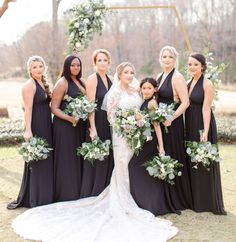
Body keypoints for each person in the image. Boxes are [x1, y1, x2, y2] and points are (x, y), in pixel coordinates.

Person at [12, 62, 177, 242]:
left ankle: (137, 197)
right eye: (126, 72)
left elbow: (145, 107)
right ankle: (123, 200)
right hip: (122, 134)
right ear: (120, 74)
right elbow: (110, 115)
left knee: (132, 166)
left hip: (137, 135)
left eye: (132, 72)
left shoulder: (136, 90)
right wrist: (126, 125)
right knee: (122, 164)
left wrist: (138, 123)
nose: (130, 75)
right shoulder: (115, 92)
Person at [7, 55, 53, 209]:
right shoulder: (29, 85)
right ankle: (35, 196)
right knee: (37, 160)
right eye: (35, 67)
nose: (38, 69)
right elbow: (28, 109)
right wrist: (28, 130)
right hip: (36, 125)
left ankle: (46, 194)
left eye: (40, 66)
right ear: (30, 70)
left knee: (46, 159)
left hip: (47, 124)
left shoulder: (43, 83)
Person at [129, 77, 180, 215]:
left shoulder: (152, 103)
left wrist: (161, 146)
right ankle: (146, 202)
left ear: (155, 89)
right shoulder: (144, 101)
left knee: (134, 167)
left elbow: (157, 126)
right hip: (144, 139)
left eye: (149, 88)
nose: (146, 91)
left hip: (151, 141)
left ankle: (150, 203)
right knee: (144, 170)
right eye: (144, 88)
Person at [185, 52, 226, 215]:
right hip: (190, 122)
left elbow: (206, 108)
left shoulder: (207, 83)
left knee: (203, 161)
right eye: (189, 64)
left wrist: (206, 131)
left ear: (202, 66)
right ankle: (195, 200)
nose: (192, 67)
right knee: (193, 160)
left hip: (203, 123)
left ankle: (206, 201)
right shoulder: (189, 82)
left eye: (195, 64)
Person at [156, 45, 193, 211]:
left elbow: (185, 102)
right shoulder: (159, 75)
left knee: (173, 155)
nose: (167, 60)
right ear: (160, 58)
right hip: (160, 121)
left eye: (170, 57)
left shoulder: (177, 77)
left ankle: (177, 197)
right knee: (162, 154)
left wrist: (171, 117)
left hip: (173, 122)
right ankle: (164, 194)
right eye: (164, 56)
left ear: (175, 59)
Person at [52, 55, 86, 202]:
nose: (76, 68)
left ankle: (78, 190)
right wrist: (69, 118)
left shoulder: (81, 81)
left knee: (77, 157)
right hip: (65, 126)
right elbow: (54, 108)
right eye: (72, 65)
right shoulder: (62, 83)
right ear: (67, 66)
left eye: (78, 65)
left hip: (79, 126)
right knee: (67, 158)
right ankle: (66, 192)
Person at [80, 49, 114, 198]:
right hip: (97, 121)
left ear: (109, 62)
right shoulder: (92, 79)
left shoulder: (111, 78)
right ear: (95, 62)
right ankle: (94, 190)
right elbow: (90, 106)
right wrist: (92, 128)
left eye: (105, 60)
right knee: (98, 155)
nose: (102, 63)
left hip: (109, 122)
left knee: (108, 154)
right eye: (99, 60)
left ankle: (107, 188)